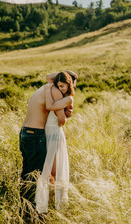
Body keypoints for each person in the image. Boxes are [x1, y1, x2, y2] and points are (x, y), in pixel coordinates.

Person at [19, 71, 77, 210]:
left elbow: (49, 76)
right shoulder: (55, 90)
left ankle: (24, 208)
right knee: (36, 176)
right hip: (35, 135)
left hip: (25, 133)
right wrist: (64, 113)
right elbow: (61, 120)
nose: (62, 87)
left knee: (27, 174)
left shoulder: (47, 86)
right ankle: (32, 211)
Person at [35, 71, 75, 213]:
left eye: (63, 86)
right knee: (48, 166)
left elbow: (51, 108)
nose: (61, 89)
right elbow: (48, 76)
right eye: (58, 86)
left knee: (56, 166)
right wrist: (63, 73)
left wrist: (49, 93)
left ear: (69, 85)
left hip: (56, 132)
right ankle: (42, 203)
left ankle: (58, 203)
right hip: (49, 131)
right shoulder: (59, 95)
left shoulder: (68, 98)